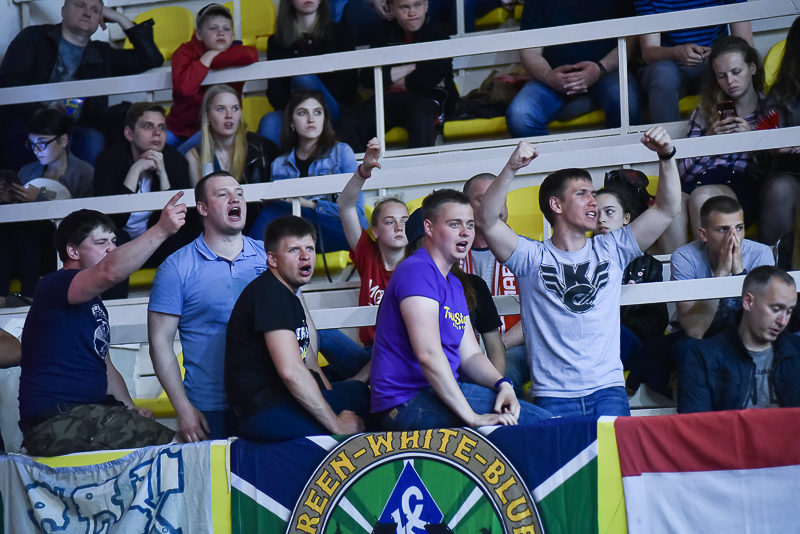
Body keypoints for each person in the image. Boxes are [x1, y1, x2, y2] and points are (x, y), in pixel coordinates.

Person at [476, 128, 681, 417]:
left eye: (593, 194)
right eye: (582, 194)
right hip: (553, 396)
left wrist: (666, 156)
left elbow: (668, 209)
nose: (593, 201)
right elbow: (485, 220)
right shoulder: (531, 257)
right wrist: (511, 168)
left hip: (608, 392)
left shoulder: (613, 248)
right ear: (556, 204)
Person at [17, 194, 186, 456]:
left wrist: (130, 409)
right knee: (177, 448)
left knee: (172, 441)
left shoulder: (92, 302)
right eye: (101, 242)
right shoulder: (55, 284)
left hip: (85, 417)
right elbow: (110, 271)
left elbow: (104, 365)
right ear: (72, 251)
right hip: (57, 420)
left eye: (114, 241)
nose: (111, 248)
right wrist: (161, 229)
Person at [370, 189, 551, 431]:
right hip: (405, 401)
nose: (465, 232)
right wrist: (472, 417)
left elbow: (471, 355)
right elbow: (428, 354)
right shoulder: (417, 270)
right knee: (540, 424)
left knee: (538, 420)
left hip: (431, 393)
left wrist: (503, 384)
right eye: (454, 224)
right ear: (429, 228)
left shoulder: (454, 283)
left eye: (470, 224)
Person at [226, 216, 370, 442]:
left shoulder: (287, 294)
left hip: (281, 401)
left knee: (360, 393)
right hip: (264, 412)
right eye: (294, 250)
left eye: (310, 248)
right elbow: (291, 371)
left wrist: (330, 398)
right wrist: (337, 425)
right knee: (369, 410)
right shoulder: (270, 294)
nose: (305, 256)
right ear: (272, 259)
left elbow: (309, 362)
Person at [148, 171, 268, 442]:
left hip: (268, 400)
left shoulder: (269, 256)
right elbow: (159, 343)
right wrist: (183, 408)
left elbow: (301, 322)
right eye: (223, 194)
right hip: (209, 409)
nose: (235, 199)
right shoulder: (175, 267)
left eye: (239, 193)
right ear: (202, 208)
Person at [0, 0, 164, 170]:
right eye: (80, 5)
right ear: (63, 10)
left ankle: (84, 187)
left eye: (95, 10)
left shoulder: (102, 54)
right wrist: (40, 111)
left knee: (93, 139)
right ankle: (32, 186)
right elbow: (8, 81)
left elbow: (150, 58)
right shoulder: (34, 37)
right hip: (29, 122)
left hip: (74, 129)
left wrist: (119, 17)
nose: (87, 12)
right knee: (32, 137)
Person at [660, 36, 769, 251]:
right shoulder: (705, 111)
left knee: (703, 196)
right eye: (722, 76)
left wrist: (752, 138)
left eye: (736, 72)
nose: (730, 81)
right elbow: (682, 174)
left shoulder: (769, 109)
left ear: (752, 68)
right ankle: (678, 270)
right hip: (699, 182)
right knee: (672, 201)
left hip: (741, 186)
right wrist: (709, 140)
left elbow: (770, 172)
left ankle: (712, 270)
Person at [248, 91, 368, 252]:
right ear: (291, 122)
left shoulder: (342, 152)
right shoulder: (279, 164)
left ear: (324, 119)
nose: (311, 119)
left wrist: (306, 204)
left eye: (317, 113)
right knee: (274, 214)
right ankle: (253, 260)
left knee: (273, 211)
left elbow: (357, 211)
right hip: (299, 233)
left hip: (343, 231)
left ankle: (248, 261)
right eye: (302, 113)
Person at [505, 0, 640, 139]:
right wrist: (548, 75)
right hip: (552, 77)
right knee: (519, 115)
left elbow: (631, 38)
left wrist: (600, 69)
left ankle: (614, 154)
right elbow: (529, 50)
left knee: (627, 103)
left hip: (606, 72)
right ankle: (552, 154)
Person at [0, 108, 94, 306]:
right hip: (25, 249)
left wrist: (39, 200)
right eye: (31, 144)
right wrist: (8, 200)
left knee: (27, 227)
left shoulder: (84, 173)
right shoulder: (27, 171)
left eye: (42, 143)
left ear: (63, 141)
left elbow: (86, 222)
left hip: (61, 245)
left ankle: (29, 294)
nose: (36, 150)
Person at [337, 0, 459, 150]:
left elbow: (427, 80)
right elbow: (367, 78)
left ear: (426, 5)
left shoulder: (437, 34)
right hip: (387, 99)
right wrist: (413, 67)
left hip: (426, 98)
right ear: (392, 9)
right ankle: (361, 166)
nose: (412, 13)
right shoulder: (384, 34)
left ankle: (422, 165)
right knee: (350, 122)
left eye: (417, 5)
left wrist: (386, 76)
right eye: (404, 7)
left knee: (422, 117)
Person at [678, 265, 800, 413]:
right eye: (775, 309)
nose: (783, 321)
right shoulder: (702, 356)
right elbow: (695, 422)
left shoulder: (797, 350)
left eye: (789, 311)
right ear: (748, 302)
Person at [94, 103, 195, 280]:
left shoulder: (175, 161)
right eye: (148, 126)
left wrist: (163, 175)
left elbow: (179, 221)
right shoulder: (108, 160)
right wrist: (135, 171)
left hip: (158, 241)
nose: (157, 133)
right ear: (129, 133)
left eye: (161, 127)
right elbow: (111, 221)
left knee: (178, 241)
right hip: (121, 241)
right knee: (116, 237)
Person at [403, 207, 507, 376]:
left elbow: (494, 347)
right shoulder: (407, 285)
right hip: (419, 382)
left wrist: (499, 384)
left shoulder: (473, 285)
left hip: (466, 377)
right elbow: (424, 356)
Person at [671, 195, 774, 340]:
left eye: (739, 228)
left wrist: (739, 274)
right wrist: (720, 276)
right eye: (722, 229)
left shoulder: (761, 253)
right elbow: (695, 331)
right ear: (704, 234)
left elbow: (762, 324)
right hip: (700, 339)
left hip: (743, 338)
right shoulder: (685, 257)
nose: (733, 237)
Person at [338, 138, 408, 349]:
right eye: (390, 222)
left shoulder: (419, 259)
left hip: (406, 350)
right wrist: (364, 170)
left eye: (404, 221)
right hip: (372, 349)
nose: (399, 227)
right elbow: (345, 205)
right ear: (375, 232)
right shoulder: (367, 253)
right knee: (324, 335)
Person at [256, 0, 358, 145]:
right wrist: (299, 113)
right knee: (269, 122)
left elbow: (349, 87)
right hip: (294, 113)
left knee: (303, 78)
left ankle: (323, 139)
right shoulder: (276, 41)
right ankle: (279, 162)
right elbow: (275, 94)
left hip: (332, 111)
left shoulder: (341, 33)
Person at [635, 0, 753, 124]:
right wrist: (677, 52)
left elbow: (746, 47)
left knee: (732, 67)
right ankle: (665, 136)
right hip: (672, 72)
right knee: (664, 73)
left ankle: (740, 128)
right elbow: (649, 53)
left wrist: (717, 54)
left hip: (713, 67)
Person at [460, 173, 525, 388]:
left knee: (507, 370)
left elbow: (539, 314)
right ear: (466, 207)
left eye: (498, 196)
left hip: (514, 346)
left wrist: (497, 346)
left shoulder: (526, 251)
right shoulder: (450, 255)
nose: (494, 204)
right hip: (465, 349)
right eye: (483, 199)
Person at [167, 3, 258, 148]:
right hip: (179, 129)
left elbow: (251, 55)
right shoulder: (184, 51)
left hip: (218, 131)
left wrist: (211, 57)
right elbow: (185, 88)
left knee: (180, 158)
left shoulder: (237, 50)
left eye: (226, 29)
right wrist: (206, 58)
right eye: (213, 28)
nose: (221, 33)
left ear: (232, 36)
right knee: (152, 152)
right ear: (199, 34)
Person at [594, 185, 669, 347]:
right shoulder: (578, 259)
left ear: (626, 218)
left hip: (632, 341)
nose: (601, 219)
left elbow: (657, 320)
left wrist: (618, 325)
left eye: (609, 212)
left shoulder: (649, 265)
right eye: (594, 214)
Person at [185, 84, 279, 192]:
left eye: (235, 108)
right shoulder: (194, 157)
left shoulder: (263, 149)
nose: (229, 115)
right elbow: (201, 201)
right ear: (207, 117)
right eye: (221, 109)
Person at [757, 16, 800, 247]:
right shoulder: (782, 92)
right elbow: (772, 134)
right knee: (778, 188)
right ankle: (774, 264)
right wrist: (779, 145)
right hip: (793, 170)